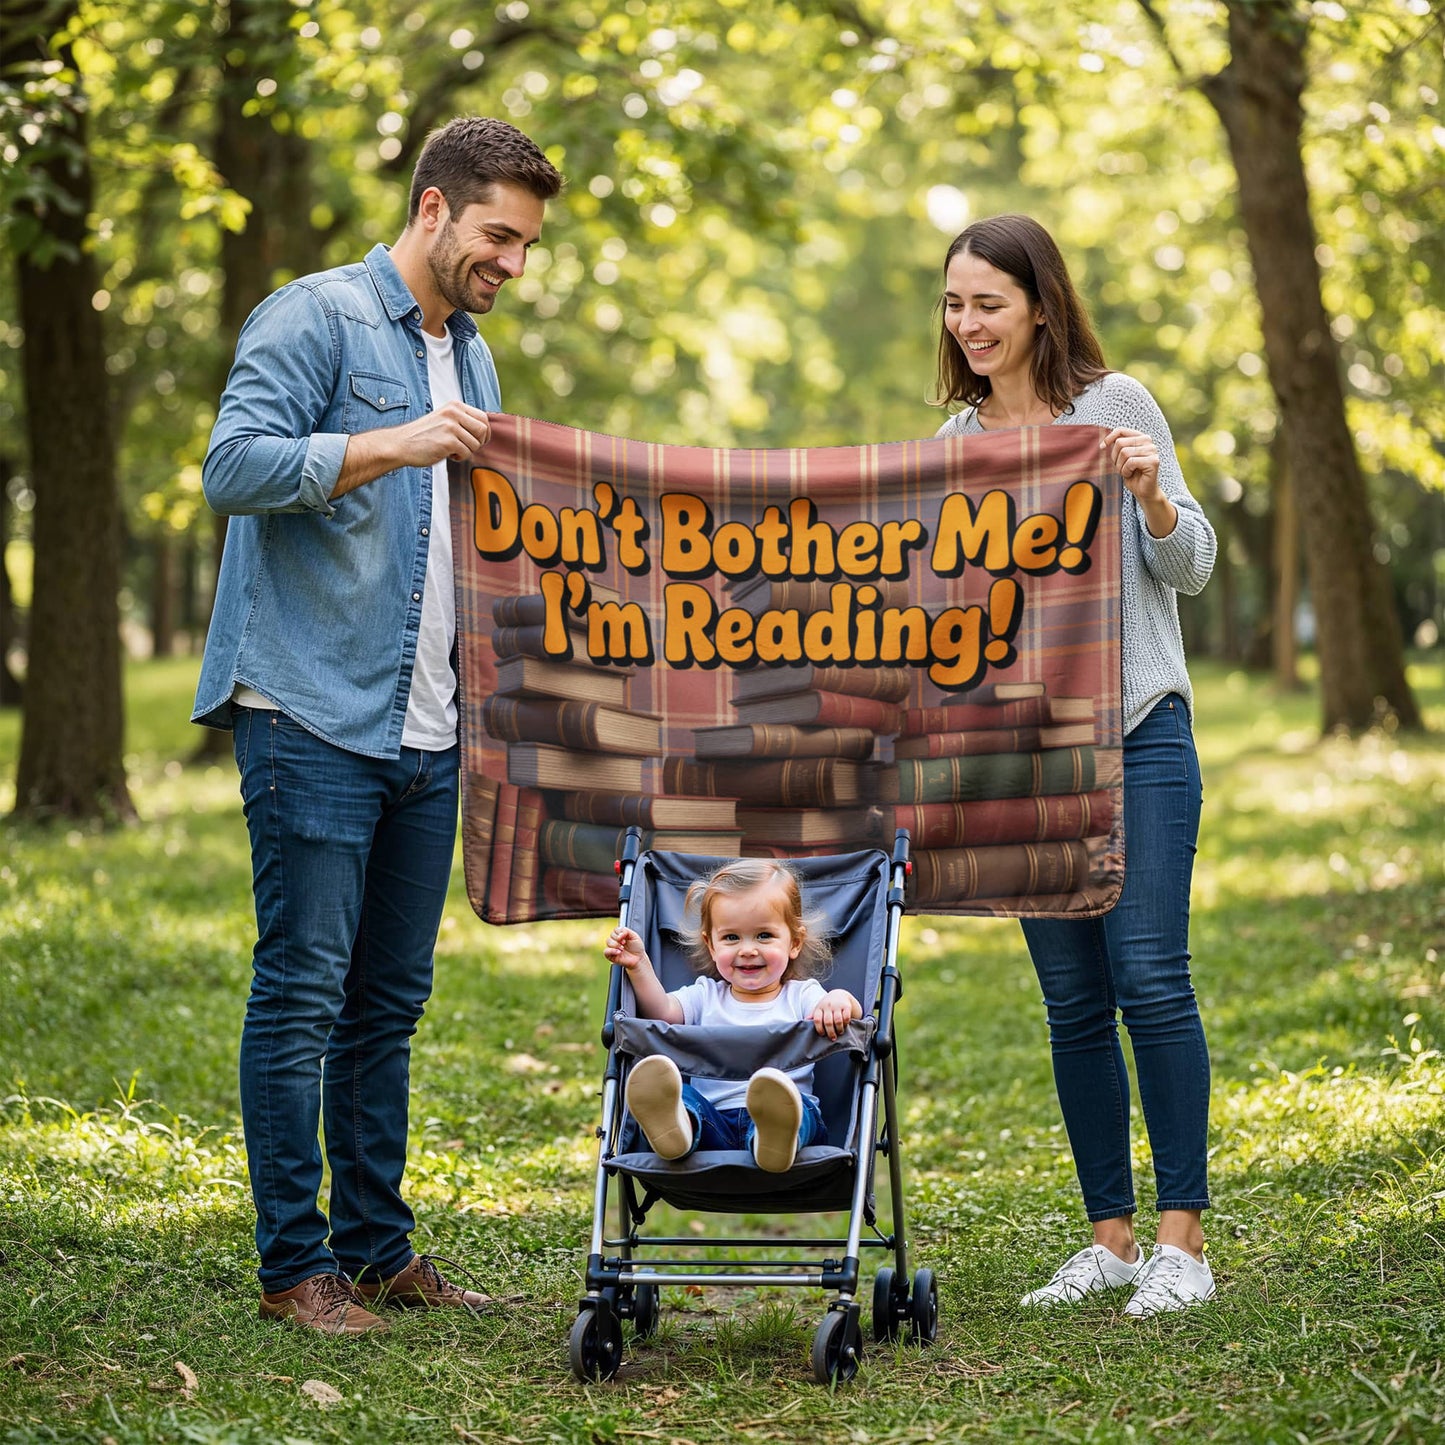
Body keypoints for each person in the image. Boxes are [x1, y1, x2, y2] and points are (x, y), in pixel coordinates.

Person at [191, 118, 563, 1334]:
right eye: (497, 235)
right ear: (432, 210)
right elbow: (233, 466)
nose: (511, 261)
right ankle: (293, 1267)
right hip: (309, 706)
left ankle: (376, 1248)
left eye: (525, 244)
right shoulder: (313, 318)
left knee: (388, 1001)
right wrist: (387, 442)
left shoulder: (478, 359)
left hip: (429, 723)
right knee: (301, 987)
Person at [932, 215, 1219, 1317]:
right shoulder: (956, 451)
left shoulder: (1117, 406)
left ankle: (1179, 1243)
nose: (968, 327)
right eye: (955, 306)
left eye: (987, 304)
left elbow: (1187, 564)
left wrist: (1148, 493)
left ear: (1039, 305)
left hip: (1138, 730)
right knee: (1069, 1000)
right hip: (1025, 760)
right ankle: (1105, 1240)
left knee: (1147, 975)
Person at [604, 858, 862, 1173]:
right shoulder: (704, 994)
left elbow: (850, 1012)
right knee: (684, 1098)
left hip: (791, 1120)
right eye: (731, 938)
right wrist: (639, 964)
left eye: (764, 935)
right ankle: (678, 1129)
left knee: (800, 1109)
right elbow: (664, 1015)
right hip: (715, 1123)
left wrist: (840, 999)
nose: (747, 949)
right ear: (710, 946)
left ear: (794, 942)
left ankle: (773, 1138)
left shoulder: (803, 995)